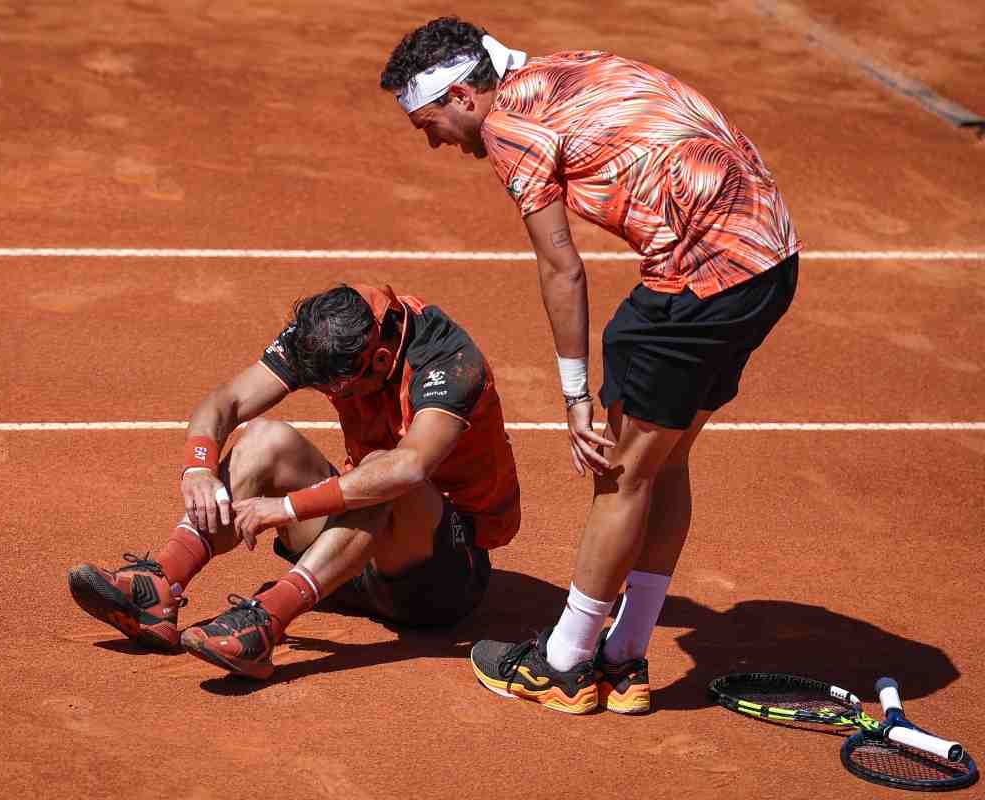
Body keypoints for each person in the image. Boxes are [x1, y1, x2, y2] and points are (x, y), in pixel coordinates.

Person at [380, 17, 800, 714]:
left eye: (429, 123)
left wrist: (574, 398)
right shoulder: (564, 67)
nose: (434, 142)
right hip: (770, 262)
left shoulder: (510, 128)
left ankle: (564, 663)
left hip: (699, 281)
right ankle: (627, 656)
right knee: (665, 462)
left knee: (620, 474)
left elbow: (562, 268)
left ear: (461, 96)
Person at [68, 283, 521, 679]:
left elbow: (408, 469)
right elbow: (227, 401)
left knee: (384, 470)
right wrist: (199, 468)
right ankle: (162, 586)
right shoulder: (327, 334)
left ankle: (264, 624)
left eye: (335, 391)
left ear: (380, 360)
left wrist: (286, 508)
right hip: (352, 558)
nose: (327, 397)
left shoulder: (448, 358)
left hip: (440, 577)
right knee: (266, 438)